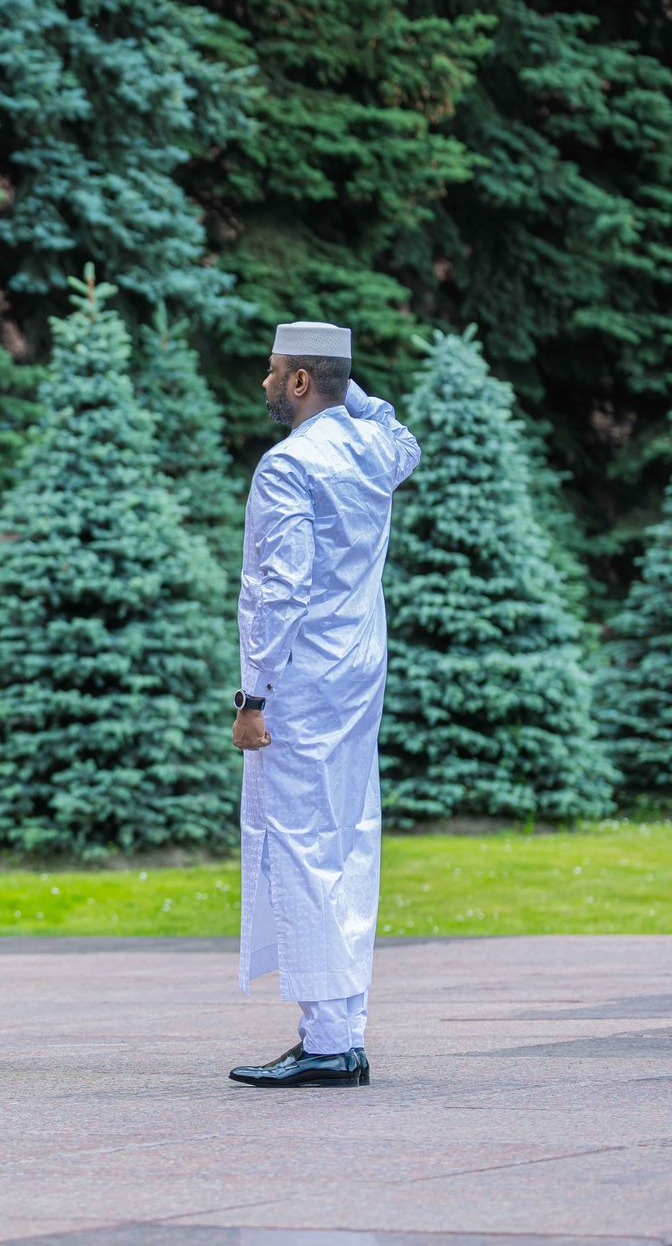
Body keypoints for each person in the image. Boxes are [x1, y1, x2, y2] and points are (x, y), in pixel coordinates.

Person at [228, 320, 420, 1089]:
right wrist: (346, 390)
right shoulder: (375, 451)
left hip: (302, 678)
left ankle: (329, 1041)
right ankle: (343, 1031)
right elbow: (399, 432)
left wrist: (253, 695)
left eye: (276, 370)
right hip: (360, 672)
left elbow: (281, 588)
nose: (266, 382)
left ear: (300, 381)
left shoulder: (288, 466)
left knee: (301, 843)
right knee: (350, 839)